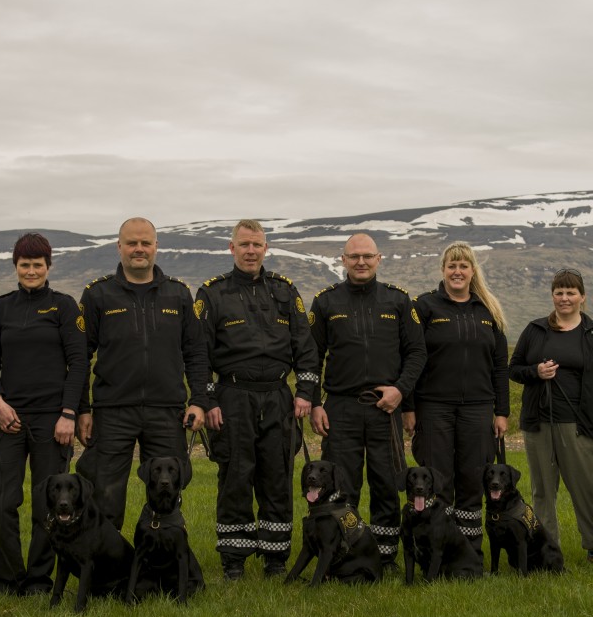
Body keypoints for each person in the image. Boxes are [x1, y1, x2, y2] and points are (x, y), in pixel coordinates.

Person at [195, 219, 319, 579]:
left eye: (257, 245)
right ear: (231, 248)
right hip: (232, 398)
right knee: (235, 476)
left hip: (279, 397)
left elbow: (306, 349)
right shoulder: (212, 294)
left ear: (267, 248)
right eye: (244, 244)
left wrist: (305, 393)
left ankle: (275, 558)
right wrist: (208, 400)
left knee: (276, 475)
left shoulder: (284, 290)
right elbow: (198, 354)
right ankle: (233, 560)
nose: (251, 251)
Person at [77, 217, 208, 530]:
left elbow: (196, 352)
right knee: (106, 495)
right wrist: (83, 408)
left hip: (166, 411)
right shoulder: (98, 295)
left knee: (166, 496)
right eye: (132, 243)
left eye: (145, 243)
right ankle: (107, 575)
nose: (139, 249)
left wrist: (199, 400)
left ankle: (160, 573)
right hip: (112, 412)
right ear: (119, 246)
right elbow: (80, 356)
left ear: (156, 247)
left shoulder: (178, 295)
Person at [309, 233, 426, 570]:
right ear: (343, 260)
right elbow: (311, 357)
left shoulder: (398, 301)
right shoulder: (326, 302)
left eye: (367, 256)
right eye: (354, 256)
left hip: (384, 406)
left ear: (379, 259)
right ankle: (345, 551)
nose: (361, 262)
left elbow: (416, 353)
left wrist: (400, 392)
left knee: (386, 483)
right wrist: (315, 402)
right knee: (342, 484)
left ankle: (385, 556)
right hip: (340, 407)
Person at [0, 233, 86, 597]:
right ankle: (7, 580)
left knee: (50, 504)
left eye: (37, 265)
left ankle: (40, 582)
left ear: (48, 266)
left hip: (52, 420)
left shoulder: (64, 306)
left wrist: (68, 414)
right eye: (24, 265)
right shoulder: (1, 308)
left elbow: (78, 364)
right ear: (15, 266)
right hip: (9, 418)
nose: (31, 271)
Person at [402, 242, 509, 558]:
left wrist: (501, 412)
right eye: (452, 265)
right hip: (433, 407)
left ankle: (470, 553)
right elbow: (409, 357)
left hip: (478, 408)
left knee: (474, 479)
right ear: (443, 270)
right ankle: (438, 551)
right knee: (437, 479)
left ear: (472, 271)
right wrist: (408, 408)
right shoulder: (424, 306)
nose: (457, 271)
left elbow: (500, 366)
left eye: (464, 266)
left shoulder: (488, 311)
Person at [509, 268, 593, 559]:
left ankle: (592, 544)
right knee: (543, 489)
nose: (564, 298)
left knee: (585, 486)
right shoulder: (535, 330)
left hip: (578, 424)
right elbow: (513, 369)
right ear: (552, 296)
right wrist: (535, 371)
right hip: (538, 423)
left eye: (571, 292)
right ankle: (546, 547)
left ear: (582, 296)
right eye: (559, 292)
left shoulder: (590, 333)